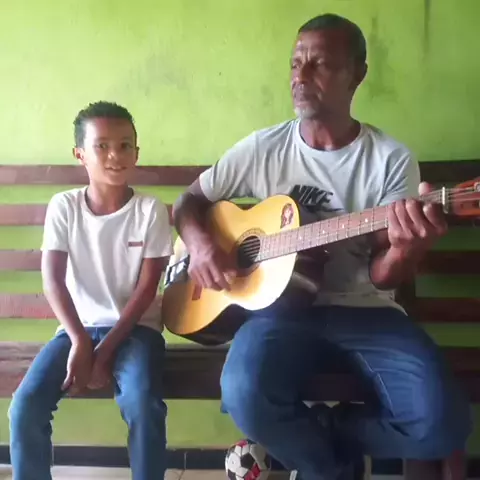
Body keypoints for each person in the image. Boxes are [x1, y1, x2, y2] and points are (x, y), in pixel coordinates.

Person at [172, 13, 471, 480]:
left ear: (357, 74)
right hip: (278, 314)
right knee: (243, 392)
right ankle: (333, 468)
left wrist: (407, 249)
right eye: (296, 63)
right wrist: (203, 246)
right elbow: (189, 203)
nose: (301, 76)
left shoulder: (390, 159)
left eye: (320, 64)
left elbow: (382, 276)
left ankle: (326, 440)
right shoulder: (263, 148)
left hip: (367, 311)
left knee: (442, 423)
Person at [8, 101, 173, 480]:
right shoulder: (64, 206)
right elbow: (52, 279)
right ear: (80, 154)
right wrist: (81, 341)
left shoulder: (150, 211)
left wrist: (106, 349)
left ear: (136, 152)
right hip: (74, 331)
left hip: (136, 332)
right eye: (102, 146)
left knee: (142, 403)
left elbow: (147, 288)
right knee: (25, 407)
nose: (115, 155)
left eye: (125, 145)